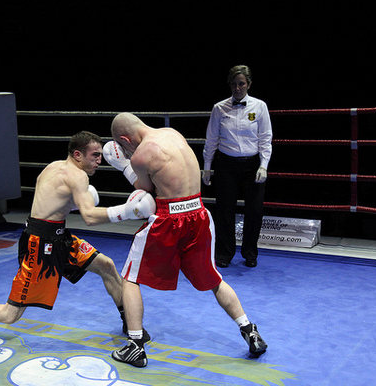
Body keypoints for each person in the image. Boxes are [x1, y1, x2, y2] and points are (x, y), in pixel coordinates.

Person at [0, 131, 156, 344]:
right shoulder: (77, 175)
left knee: (106, 266)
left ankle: (129, 323)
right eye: (95, 155)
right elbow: (89, 217)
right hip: (39, 246)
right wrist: (128, 211)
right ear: (77, 155)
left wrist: (72, 204)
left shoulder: (53, 167)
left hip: (58, 237)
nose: (100, 161)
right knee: (10, 314)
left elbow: (50, 205)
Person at [104, 113, 267, 368]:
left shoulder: (140, 156)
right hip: (199, 214)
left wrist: (124, 165)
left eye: (123, 146)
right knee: (214, 279)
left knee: (130, 278)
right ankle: (249, 330)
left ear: (124, 139)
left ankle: (135, 346)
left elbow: (144, 192)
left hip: (169, 220)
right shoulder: (173, 133)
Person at [202, 65, 273, 268]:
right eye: (233, 84)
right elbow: (211, 139)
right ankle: (224, 253)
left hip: (252, 165)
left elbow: (265, 138)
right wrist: (207, 166)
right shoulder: (219, 108)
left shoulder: (260, 106)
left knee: (255, 211)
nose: (237, 88)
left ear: (249, 84)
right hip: (226, 164)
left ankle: (250, 253)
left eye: (241, 83)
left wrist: (264, 165)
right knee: (224, 211)